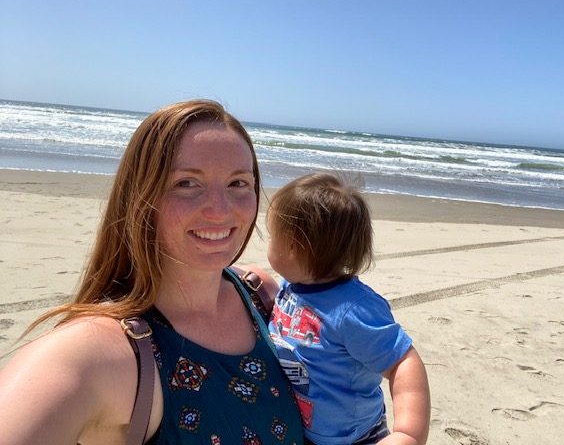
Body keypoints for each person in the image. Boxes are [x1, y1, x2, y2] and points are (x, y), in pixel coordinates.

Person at [0, 99, 304, 444]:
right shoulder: (99, 353)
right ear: (142, 195)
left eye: (238, 183)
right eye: (187, 183)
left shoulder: (261, 295)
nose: (220, 210)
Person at [265, 172, 431, 445]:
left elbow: (403, 361)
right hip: (303, 428)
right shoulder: (294, 285)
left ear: (294, 246)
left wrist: (408, 433)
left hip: (354, 437)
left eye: (273, 236)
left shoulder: (353, 310)